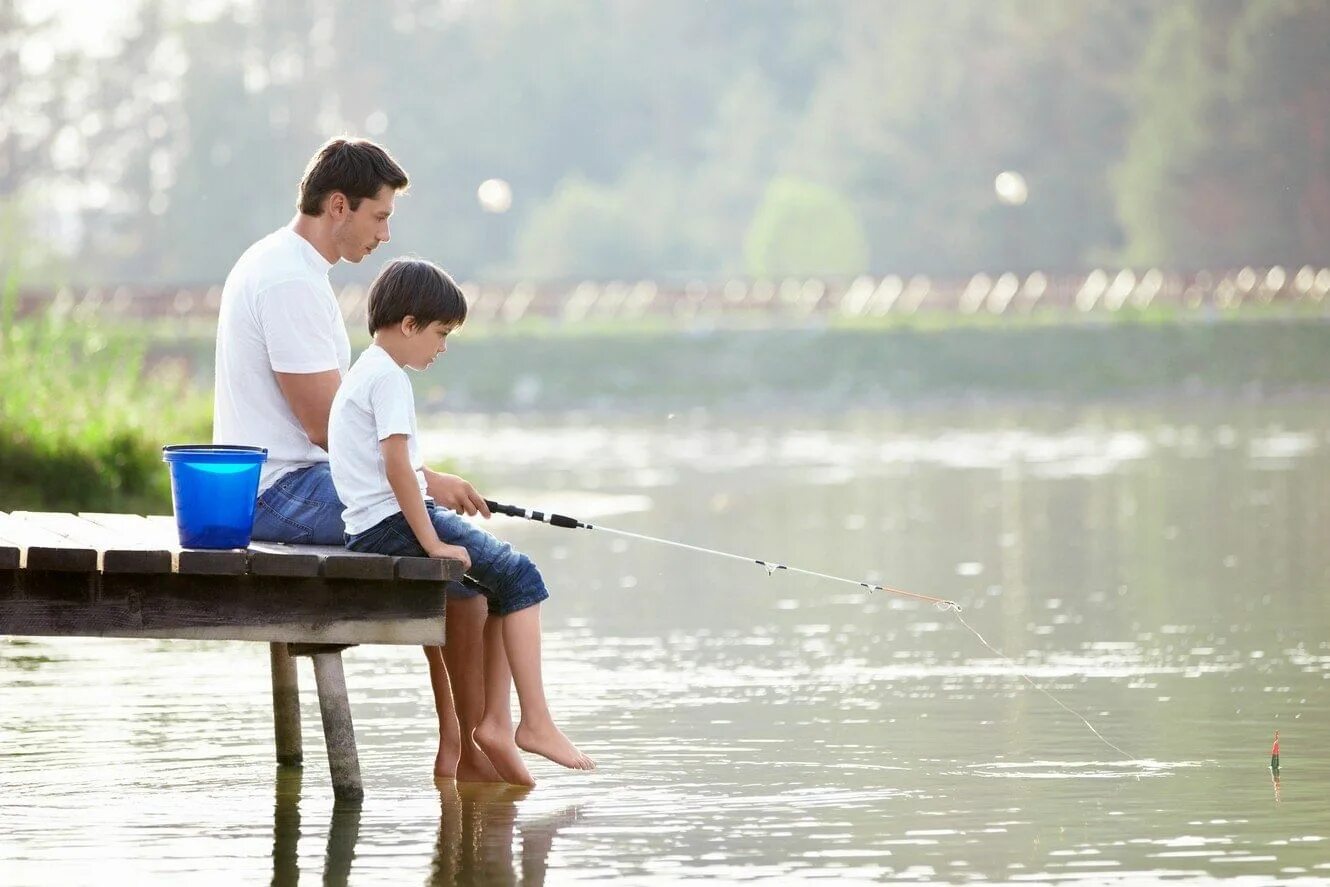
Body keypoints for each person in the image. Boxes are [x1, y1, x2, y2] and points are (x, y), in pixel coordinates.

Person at [212, 137, 498, 782]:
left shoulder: (284, 264)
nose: (386, 233)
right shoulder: (289, 279)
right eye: (379, 215)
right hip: (280, 491)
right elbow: (325, 427)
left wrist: (420, 485)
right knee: (459, 556)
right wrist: (423, 482)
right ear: (338, 205)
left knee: (447, 546)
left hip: (287, 480)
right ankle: (465, 748)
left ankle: (461, 742)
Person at [329, 257, 595, 786]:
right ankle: (532, 722)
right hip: (394, 525)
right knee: (523, 576)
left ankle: (495, 725)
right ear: (408, 324)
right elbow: (397, 466)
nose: (442, 346)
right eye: (440, 333)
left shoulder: (365, 370)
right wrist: (430, 541)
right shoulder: (389, 380)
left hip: (371, 525)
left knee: (501, 586)